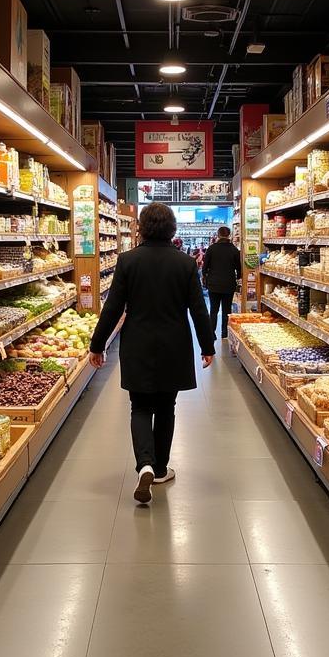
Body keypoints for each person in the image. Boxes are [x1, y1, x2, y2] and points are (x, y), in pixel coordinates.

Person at [89, 202, 215, 504]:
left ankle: (144, 463)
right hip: (175, 343)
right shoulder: (185, 264)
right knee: (166, 407)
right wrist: (208, 345)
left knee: (140, 406)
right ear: (172, 229)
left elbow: (113, 307)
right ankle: (159, 469)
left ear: (141, 227)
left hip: (138, 344)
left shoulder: (128, 261)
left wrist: (98, 344)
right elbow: (198, 308)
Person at [202, 225, 242, 340]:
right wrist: (238, 278)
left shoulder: (211, 249)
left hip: (213, 284)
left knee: (213, 310)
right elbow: (238, 268)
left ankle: (211, 333)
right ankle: (224, 334)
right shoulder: (234, 250)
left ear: (218, 235)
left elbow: (205, 268)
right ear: (229, 235)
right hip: (229, 284)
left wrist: (205, 278)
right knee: (226, 310)